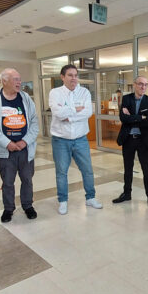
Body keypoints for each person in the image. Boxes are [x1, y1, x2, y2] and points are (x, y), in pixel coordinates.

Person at [0, 68, 39, 223]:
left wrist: (25, 141)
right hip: (5, 151)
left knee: (27, 179)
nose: (19, 82)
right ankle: (8, 209)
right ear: (4, 81)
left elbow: (34, 121)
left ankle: (28, 206)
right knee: (7, 182)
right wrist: (7, 143)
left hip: (25, 149)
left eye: (19, 79)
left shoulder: (25, 98)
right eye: (15, 79)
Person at [49, 64, 102, 214]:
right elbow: (58, 113)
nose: (74, 78)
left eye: (76, 75)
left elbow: (88, 112)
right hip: (60, 140)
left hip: (80, 139)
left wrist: (69, 116)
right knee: (61, 172)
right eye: (70, 75)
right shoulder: (55, 93)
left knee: (87, 171)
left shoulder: (84, 92)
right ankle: (63, 201)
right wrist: (75, 110)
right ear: (62, 77)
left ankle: (90, 198)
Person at [112, 75, 148, 209]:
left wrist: (131, 117)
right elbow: (123, 118)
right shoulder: (126, 99)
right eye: (141, 84)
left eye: (146, 85)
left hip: (143, 141)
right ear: (135, 85)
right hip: (128, 139)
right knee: (128, 169)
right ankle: (127, 194)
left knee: (146, 170)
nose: (143, 87)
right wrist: (140, 117)